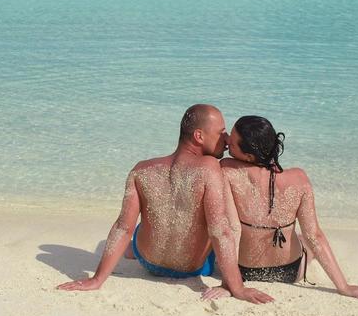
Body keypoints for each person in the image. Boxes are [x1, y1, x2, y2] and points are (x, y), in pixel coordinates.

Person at [57, 104, 273, 304]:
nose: (226, 139)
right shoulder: (210, 167)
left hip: (148, 262)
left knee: (145, 224)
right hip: (193, 267)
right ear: (199, 136)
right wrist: (238, 288)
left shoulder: (141, 170)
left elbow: (123, 228)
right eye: (221, 132)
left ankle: (130, 252)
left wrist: (97, 280)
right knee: (218, 223)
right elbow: (219, 231)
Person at [215, 115, 358, 301]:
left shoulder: (227, 170)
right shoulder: (299, 178)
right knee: (306, 240)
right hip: (290, 271)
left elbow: (232, 230)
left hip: (244, 270)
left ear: (248, 156)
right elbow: (315, 236)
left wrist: (229, 284)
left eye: (233, 142)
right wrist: (344, 287)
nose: (227, 139)